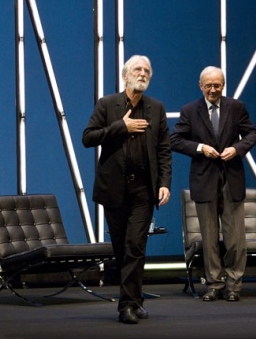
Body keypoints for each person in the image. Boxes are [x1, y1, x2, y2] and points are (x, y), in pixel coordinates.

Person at [82, 55, 172, 324]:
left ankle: (127, 306)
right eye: (138, 69)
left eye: (147, 70)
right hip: (115, 188)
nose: (143, 73)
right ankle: (135, 298)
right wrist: (122, 126)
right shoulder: (107, 104)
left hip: (144, 189)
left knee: (135, 245)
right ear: (125, 75)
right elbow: (88, 137)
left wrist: (165, 182)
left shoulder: (156, 108)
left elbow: (164, 149)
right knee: (122, 248)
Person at [170, 66, 256, 302]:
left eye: (217, 85)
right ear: (201, 86)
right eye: (208, 85)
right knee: (209, 239)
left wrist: (237, 149)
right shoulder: (190, 110)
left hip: (232, 180)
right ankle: (214, 285)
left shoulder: (236, 107)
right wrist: (200, 148)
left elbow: (253, 134)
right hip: (204, 179)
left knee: (234, 240)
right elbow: (175, 140)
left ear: (223, 85)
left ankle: (234, 285)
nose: (213, 89)